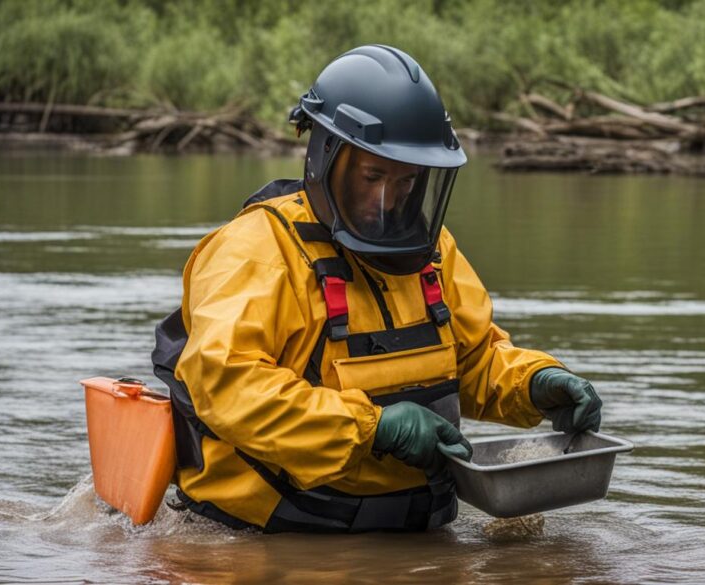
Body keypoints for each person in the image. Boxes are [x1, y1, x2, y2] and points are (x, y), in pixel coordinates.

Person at [152, 45, 602, 534]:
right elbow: (227, 385)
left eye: (407, 180)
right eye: (373, 176)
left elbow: (471, 360)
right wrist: (372, 428)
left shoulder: (432, 251)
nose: (389, 199)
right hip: (268, 538)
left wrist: (535, 383)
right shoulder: (256, 249)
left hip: (419, 532)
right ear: (325, 157)